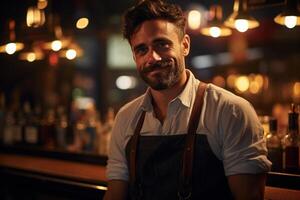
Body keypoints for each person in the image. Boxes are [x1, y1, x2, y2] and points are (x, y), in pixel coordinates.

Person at [104, 0, 271, 199]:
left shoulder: (231, 111)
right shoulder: (125, 118)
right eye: (142, 49)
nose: (153, 57)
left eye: (162, 44)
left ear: (184, 45)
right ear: (134, 56)